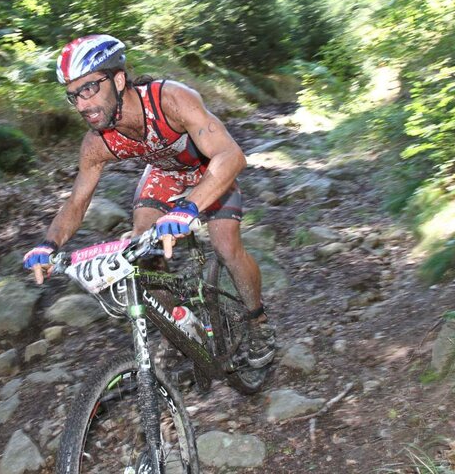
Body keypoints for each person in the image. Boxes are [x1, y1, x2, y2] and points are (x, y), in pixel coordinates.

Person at [23, 34, 275, 368]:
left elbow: (231, 155)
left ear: (118, 79)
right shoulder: (97, 142)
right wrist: (48, 243)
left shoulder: (171, 99)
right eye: (73, 96)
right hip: (164, 175)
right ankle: (183, 327)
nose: (82, 104)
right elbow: (77, 201)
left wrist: (188, 209)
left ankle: (257, 321)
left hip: (208, 170)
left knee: (227, 247)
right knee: (143, 253)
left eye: (89, 89)